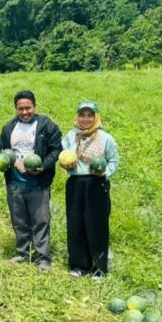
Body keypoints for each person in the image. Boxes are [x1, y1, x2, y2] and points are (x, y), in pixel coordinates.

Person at [0, 91, 62, 271]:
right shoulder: (9, 128)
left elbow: (56, 149)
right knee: (19, 221)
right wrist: (9, 162)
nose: (25, 112)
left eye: (28, 108)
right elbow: (0, 150)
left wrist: (43, 166)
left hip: (38, 184)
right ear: (16, 109)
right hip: (15, 184)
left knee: (41, 221)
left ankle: (43, 258)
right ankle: (23, 253)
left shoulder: (47, 126)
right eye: (21, 109)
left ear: (35, 106)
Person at [61, 100, 120, 280]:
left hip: (96, 184)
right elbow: (64, 156)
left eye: (90, 115)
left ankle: (99, 268)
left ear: (96, 117)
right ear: (77, 117)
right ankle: (79, 265)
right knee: (75, 224)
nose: (85, 119)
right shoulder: (70, 136)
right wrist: (65, 164)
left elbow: (114, 161)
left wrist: (105, 173)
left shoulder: (105, 138)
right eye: (82, 115)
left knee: (97, 225)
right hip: (75, 183)